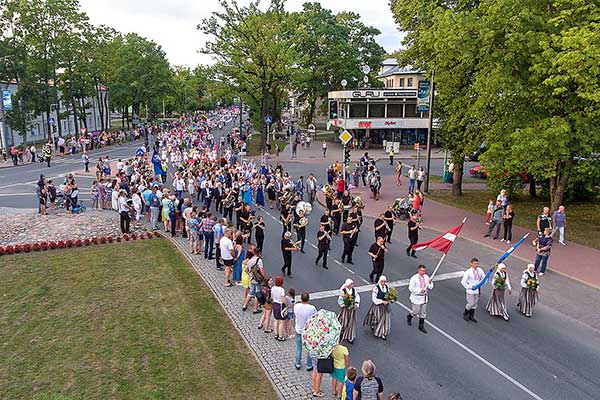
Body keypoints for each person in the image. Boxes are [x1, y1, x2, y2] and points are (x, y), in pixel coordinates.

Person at [407, 264, 434, 334]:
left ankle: (421, 325)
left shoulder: (426, 277)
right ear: (418, 270)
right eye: (422, 271)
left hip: (424, 297)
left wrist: (430, 282)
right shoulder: (414, 278)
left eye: (424, 271)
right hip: (416, 297)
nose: (423, 272)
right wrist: (419, 290)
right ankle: (410, 316)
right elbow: (411, 288)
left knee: (423, 312)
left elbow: (430, 287)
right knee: (416, 311)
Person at [363, 275, 391, 340]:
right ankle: (373, 325)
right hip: (378, 306)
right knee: (376, 318)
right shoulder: (376, 288)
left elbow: (389, 295)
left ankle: (382, 333)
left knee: (384, 319)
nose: (383, 283)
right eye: (382, 281)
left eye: (384, 281)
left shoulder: (386, 287)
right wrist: (381, 301)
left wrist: (390, 299)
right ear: (379, 281)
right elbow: (374, 298)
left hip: (385, 306)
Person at [294, 292, 317, 370]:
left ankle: (297, 363)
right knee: (309, 349)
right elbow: (315, 317)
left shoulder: (296, 306)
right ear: (308, 299)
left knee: (298, 347)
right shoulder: (312, 308)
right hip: (308, 331)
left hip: (299, 329)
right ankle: (309, 365)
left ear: (301, 298)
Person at [461, 258, 485, 322]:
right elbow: (463, 282)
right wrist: (470, 287)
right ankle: (465, 313)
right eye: (474, 264)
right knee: (471, 303)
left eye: (477, 264)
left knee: (475, 304)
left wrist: (484, 279)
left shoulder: (480, 270)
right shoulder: (468, 272)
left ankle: (471, 316)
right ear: (471, 264)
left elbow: (483, 276)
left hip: (477, 290)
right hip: (470, 290)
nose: (476, 265)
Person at [337, 279, 360, 344]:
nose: (352, 285)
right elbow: (340, 299)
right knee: (343, 321)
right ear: (347, 285)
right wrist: (344, 305)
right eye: (351, 284)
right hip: (345, 310)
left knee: (351, 322)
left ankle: (350, 336)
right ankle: (340, 334)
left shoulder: (353, 290)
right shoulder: (343, 291)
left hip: (352, 309)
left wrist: (356, 304)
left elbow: (357, 296)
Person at [271, 276, 288, 341]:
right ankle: (280, 336)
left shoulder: (273, 288)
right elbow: (283, 299)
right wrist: (286, 304)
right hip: (280, 306)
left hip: (275, 304)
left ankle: (276, 334)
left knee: (276, 320)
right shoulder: (281, 289)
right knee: (281, 321)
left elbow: (272, 297)